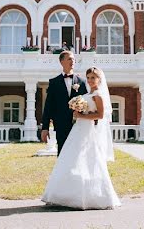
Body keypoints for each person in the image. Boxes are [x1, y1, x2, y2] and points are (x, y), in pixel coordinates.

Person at [41, 66, 120, 210]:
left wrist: (81, 116)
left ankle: (94, 195)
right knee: (70, 158)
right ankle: (66, 193)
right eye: (88, 77)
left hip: (87, 130)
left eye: (93, 78)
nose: (89, 80)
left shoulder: (98, 95)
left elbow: (100, 115)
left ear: (99, 79)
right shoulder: (88, 93)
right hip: (78, 129)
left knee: (89, 159)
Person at [41, 51, 87, 154]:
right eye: (69, 59)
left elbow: (86, 103)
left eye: (74, 59)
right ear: (62, 62)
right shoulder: (54, 82)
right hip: (61, 126)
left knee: (78, 153)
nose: (73, 61)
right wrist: (45, 128)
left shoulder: (82, 82)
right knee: (62, 153)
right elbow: (48, 106)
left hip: (78, 125)